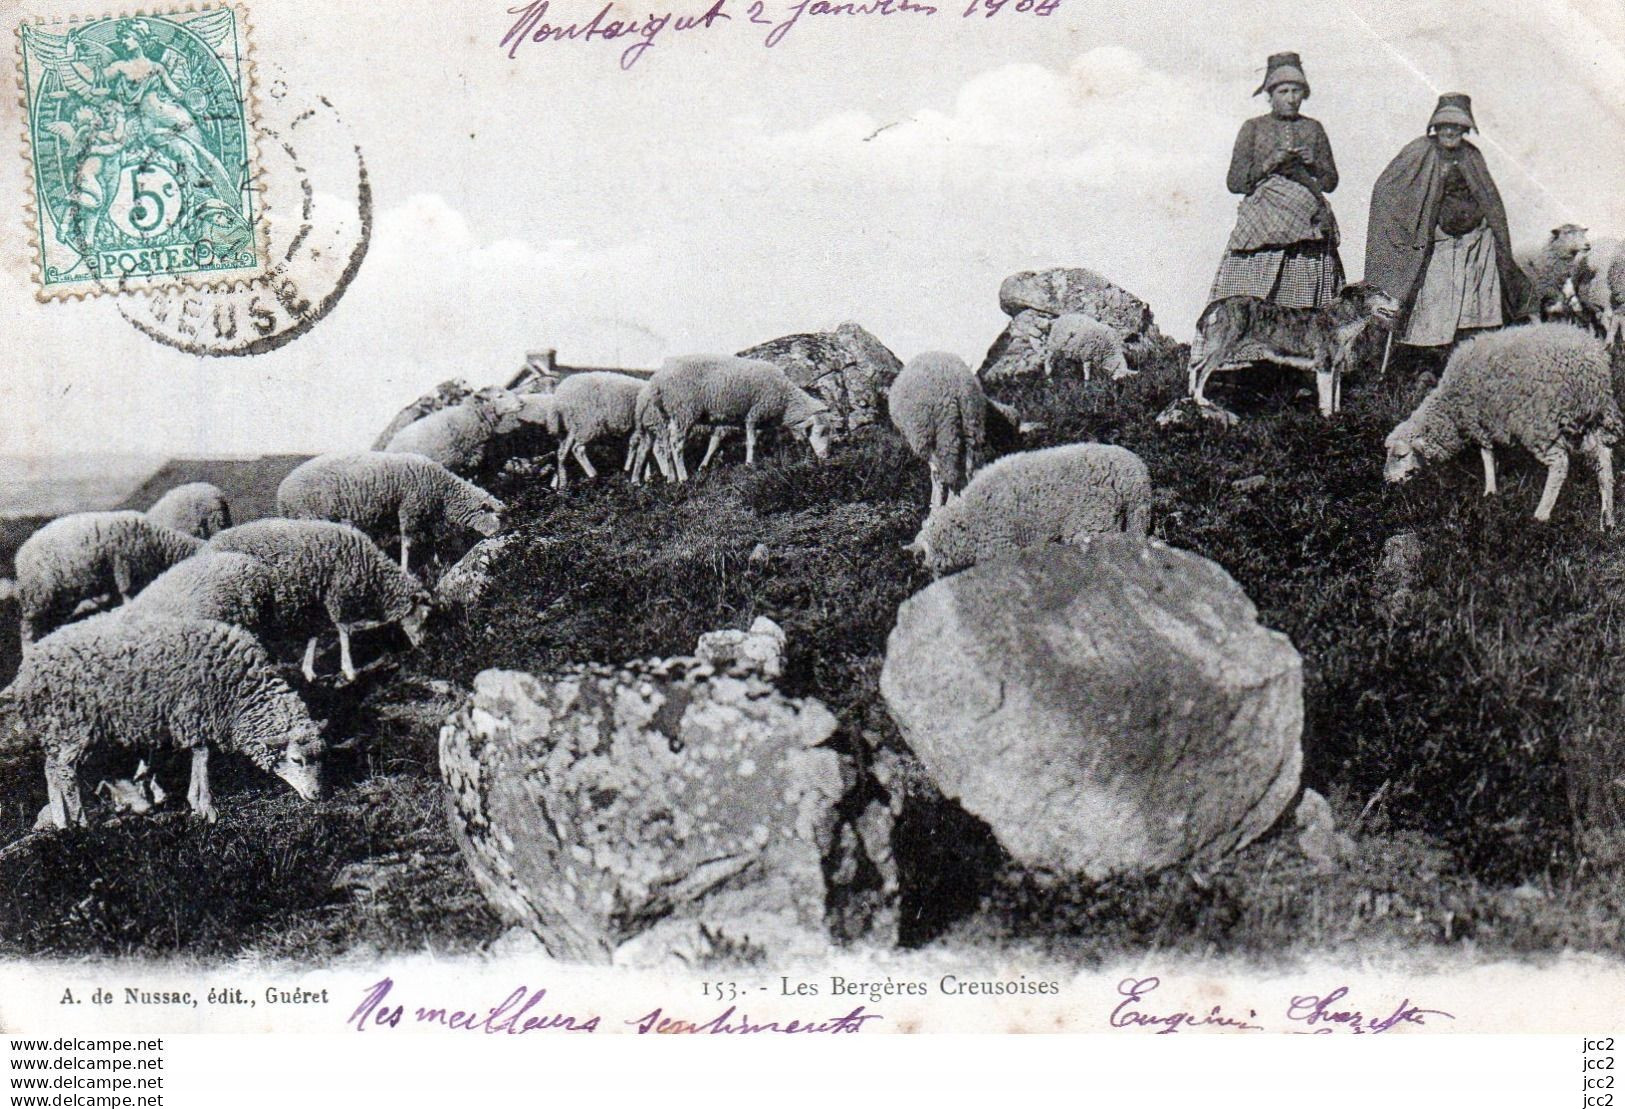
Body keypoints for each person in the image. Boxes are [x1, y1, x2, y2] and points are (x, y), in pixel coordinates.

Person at [1364, 93, 1532, 367]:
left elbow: (1490, 199)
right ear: (1435, 126)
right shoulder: (1419, 151)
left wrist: (1483, 222)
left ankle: (1464, 358)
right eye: (1445, 125)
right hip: (1436, 244)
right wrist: (1410, 224)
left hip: (1475, 243)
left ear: (1466, 128)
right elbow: (1386, 189)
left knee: (1470, 304)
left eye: (1457, 125)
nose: (1450, 131)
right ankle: (1422, 363)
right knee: (1433, 301)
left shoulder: (1471, 156)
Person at [1204, 52, 1345, 310]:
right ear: (1270, 95)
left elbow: (1331, 182)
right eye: (1283, 91)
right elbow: (1235, 183)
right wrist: (1270, 162)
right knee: (1248, 306)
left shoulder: (1314, 129)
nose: (1291, 99)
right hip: (1261, 230)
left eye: (1297, 91)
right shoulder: (1253, 128)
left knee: (1304, 307)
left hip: (1308, 233)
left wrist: (1313, 162)